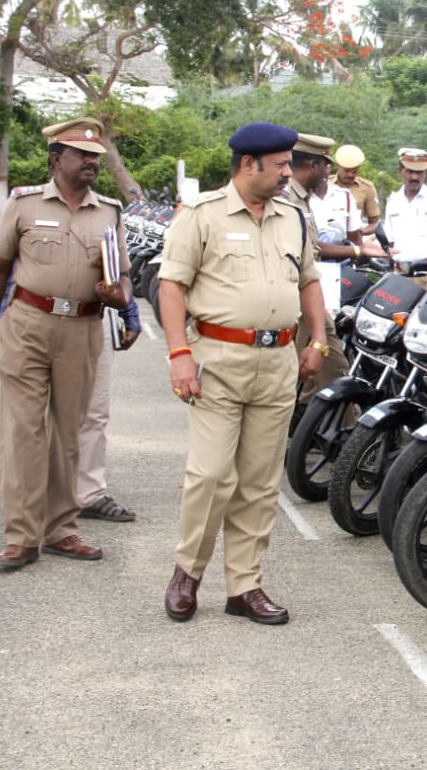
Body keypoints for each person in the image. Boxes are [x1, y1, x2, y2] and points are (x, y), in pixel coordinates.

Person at [158, 121, 328, 625]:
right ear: (247, 164)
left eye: (286, 164)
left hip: (277, 362)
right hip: (218, 359)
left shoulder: (292, 218)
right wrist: (178, 353)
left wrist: (316, 340)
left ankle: (244, 586)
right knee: (210, 474)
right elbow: (172, 287)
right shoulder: (202, 215)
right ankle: (187, 573)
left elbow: (309, 281)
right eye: (277, 165)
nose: (285, 173)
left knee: (259, 481)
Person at [0, 117, 133, 570]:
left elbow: (122, 276)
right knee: (25, 432)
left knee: (68, 432)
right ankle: (22, 535)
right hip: (27, 324)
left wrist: (120, 298)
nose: (90, 162)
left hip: (82, 330)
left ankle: (62, 530)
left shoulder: (109, 212)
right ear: (56, 159)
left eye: (95, 157)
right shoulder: (23, 205)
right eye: (81, 155)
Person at [287, 133, 365, 400]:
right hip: (296, 299)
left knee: (331, 370)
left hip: (313, 292)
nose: (327, 170)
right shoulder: (288, 199)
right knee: (304, 372)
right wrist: (358, 251)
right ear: (312, 165)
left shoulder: (302, 197)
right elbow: (310, 250)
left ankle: (343, 433)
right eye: (324, 164)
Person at [75, 299, 143, 522]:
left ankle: (88, 495)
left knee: (95, 411)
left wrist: (129, 312)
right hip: (40, 311)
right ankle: (37, 495)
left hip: (98, 311)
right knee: (41, 413)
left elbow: (115, 269)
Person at [331, 143, 381, 235]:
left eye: (354, 171)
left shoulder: (367, 188)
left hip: (353, 244)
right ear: (338, 165)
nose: (350, 175)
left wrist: (360, 233)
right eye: (346, 171)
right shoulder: (326, 184)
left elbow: (375, 223)